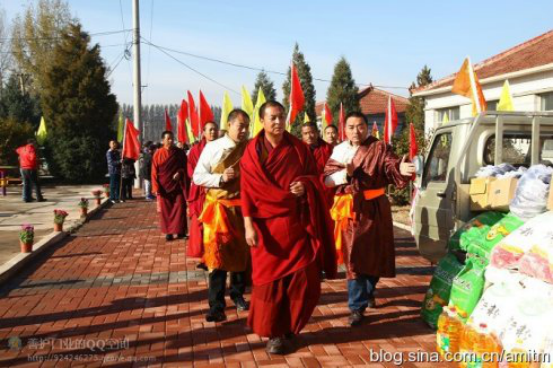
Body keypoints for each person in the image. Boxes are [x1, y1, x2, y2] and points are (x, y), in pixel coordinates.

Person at [240, 101, 337, 355]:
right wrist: (248, 225)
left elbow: (315, 178)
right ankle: (274, 334)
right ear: (261, 121)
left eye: (281, 117)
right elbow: (247, 192)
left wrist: (306, 185)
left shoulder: (298, 149)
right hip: (265, 228)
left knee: (305, 281)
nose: (278, 122)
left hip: (295, 226)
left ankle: (291, 329)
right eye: (272, 117)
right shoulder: (252, 151)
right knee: (270, 285)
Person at [323, 112, 416, 328]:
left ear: (367, 127)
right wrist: (345, 175)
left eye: (361, 126)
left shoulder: (379, 147)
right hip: (349, 210)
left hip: (375, 209)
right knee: (353, 259)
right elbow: (327, 180)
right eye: (352, 127)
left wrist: (400, 169)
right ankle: (356, 307)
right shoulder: (339, 151)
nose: (357, 131)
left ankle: (367, 290)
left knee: (375, 256)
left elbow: (389, 165)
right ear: (344, 130)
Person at [193, 111, 251, 323]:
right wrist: (219, 177)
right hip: (218, 209)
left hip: (241, 209)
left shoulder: (250, 148)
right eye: (240, 125)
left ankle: (238, 295)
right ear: (229, 124)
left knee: (240, 254)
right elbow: (198, 176)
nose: (244, 130)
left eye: (247, 126)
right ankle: (216, 306)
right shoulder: (213, 147)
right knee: (216, 257)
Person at [187, 122, 219, 262]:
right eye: (209, 130)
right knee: (199, 224)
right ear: (204, 133)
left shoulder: (223, 147)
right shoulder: (195, 150)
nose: (212, 132)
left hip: (217, 190)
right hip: (200, 191)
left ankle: (213, 254)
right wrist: (203, 181)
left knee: (215, 224)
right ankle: (201, 254)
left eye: (214, 130)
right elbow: (191, 169)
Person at [152, 131, 188, 241]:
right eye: (168, 138)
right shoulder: (158, 153)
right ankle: (169, 232)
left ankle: (181, 232)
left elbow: (185, 167)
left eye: (172, 138)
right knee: (166, 211)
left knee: (180, 208)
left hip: (177, 186)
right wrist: (156, 187)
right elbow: (154, 171)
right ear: (163, 140)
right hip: (164, 187)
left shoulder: (179, 153)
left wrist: (180, 172)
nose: (171, 140)